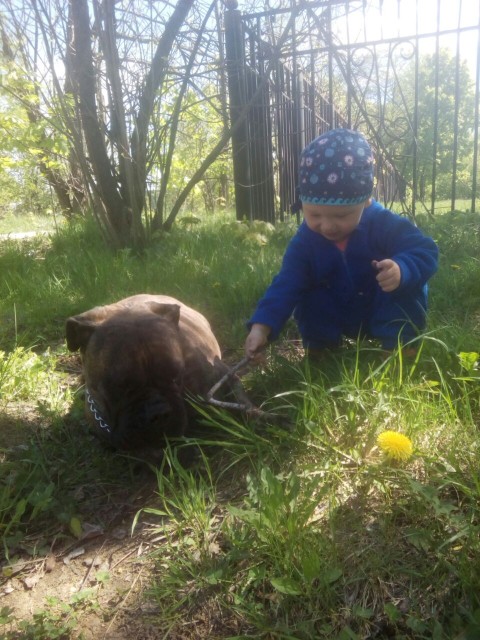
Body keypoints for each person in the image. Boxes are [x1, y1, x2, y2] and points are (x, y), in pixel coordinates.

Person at [244, 128, 439, 361]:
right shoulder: (306, 241)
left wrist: (403, 268)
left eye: (341, 216)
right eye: (314, 215)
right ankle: (321, 349)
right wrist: (261, 326)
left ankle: (398, 348)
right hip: (340, 309)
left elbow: (426, 250)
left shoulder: (384, 224)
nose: (327, 226)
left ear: (365, 201)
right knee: (308, 291)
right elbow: (287, 282)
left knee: (403, 284)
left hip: (380, 303)